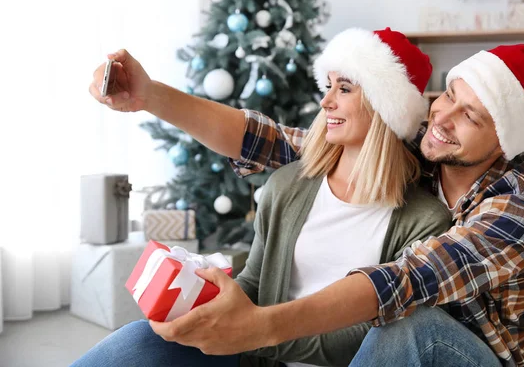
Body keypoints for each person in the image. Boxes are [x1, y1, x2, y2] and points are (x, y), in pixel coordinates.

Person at [75, 28, 452, 367]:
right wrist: (206, 311)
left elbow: (374, 337)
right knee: (139, 340)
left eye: (345, 88)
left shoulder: (424, 218)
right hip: (257, 357)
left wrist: (254, 333)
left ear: (385, 105)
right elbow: (254, 282)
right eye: (329, 86)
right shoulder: (290, 185)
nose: (326, 103)